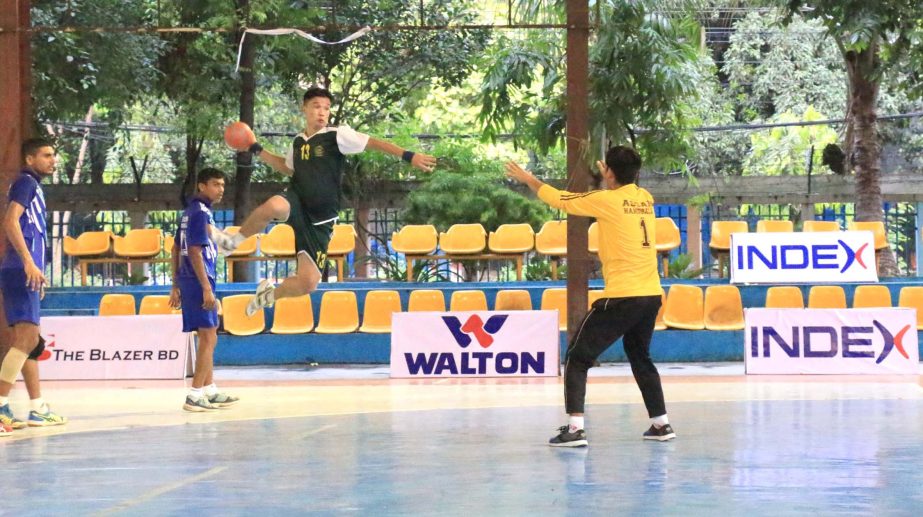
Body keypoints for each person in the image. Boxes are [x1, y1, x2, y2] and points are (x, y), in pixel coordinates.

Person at [505, 146, 674, 446]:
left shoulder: (606, 200)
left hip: (623, 296)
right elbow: (623, 188)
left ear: (609, 173)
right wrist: (611, 174)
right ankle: (661, 424)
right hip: (651, 294)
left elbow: (561, 200)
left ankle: (574, 429)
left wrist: (527, 178)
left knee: (577, 356)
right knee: (640, 355)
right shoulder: (644, 199)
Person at [215, 87, 437, 316]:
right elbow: (288, 168)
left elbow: (374, 142)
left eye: (327, 108)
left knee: (307, 284)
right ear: (305, 108)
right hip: (298, 202)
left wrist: (409, 156)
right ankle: (232, 242)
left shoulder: (337, 135)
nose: (322, 112)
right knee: (273, 205)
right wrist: (256, 148)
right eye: (316, 107)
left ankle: (268, 295)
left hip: (321, 220)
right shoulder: (298, 142)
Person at [0, 138, 68, 436]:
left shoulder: (32, 185)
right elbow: (10, 221)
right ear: (30, 159)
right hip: (19, 269)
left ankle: (37, 407)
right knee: (26, 341)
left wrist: (36, 269)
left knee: (29, 342)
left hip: (23, 270)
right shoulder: (26, 183)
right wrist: (28, 263)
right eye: (47, 155)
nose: (53, 160)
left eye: (54, 155)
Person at [170, 167, 238, 412]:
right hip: (199, 281)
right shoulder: (199, 213)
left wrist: (175, 284)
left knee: (209, 335)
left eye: (222, 185)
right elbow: (195, 252)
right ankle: (195, 394)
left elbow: (175, 249)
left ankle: (209, 390)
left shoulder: (191, 212)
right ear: (201, 186)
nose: (220, 189)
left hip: (190, 280)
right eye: (215, 184)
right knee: (209, 337)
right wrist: (206, 288)